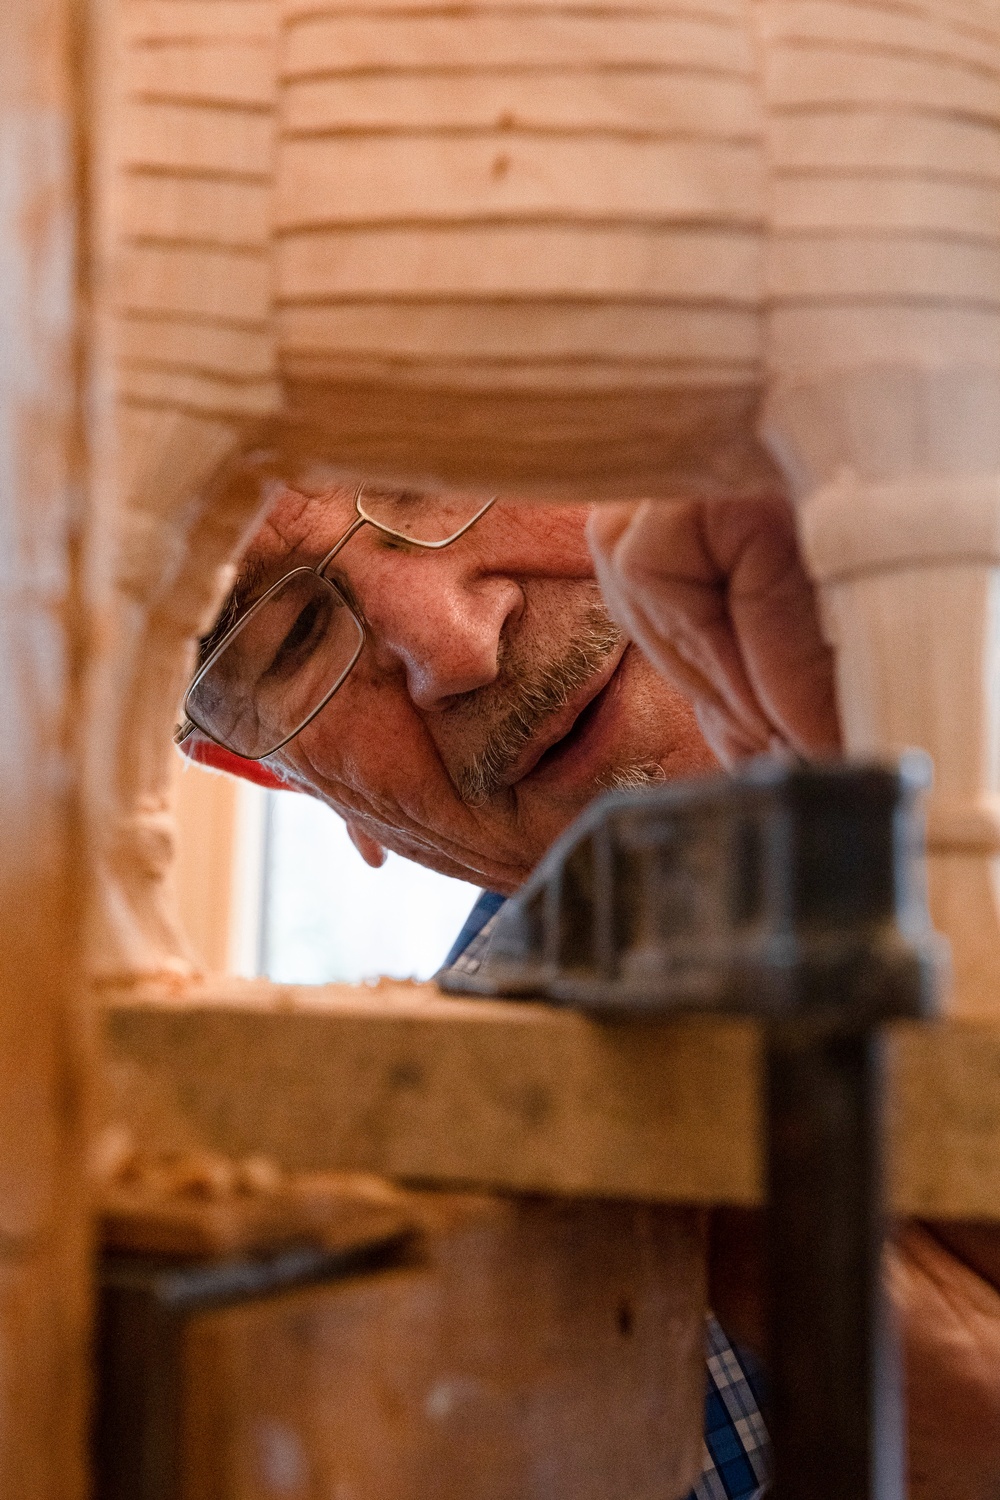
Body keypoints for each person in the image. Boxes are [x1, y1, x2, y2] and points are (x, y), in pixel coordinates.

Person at [179, 469, 1000, 1500]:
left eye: (448, 457)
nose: (453, 644)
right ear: (274, 774)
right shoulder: (463, 1341)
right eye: (285, 641)